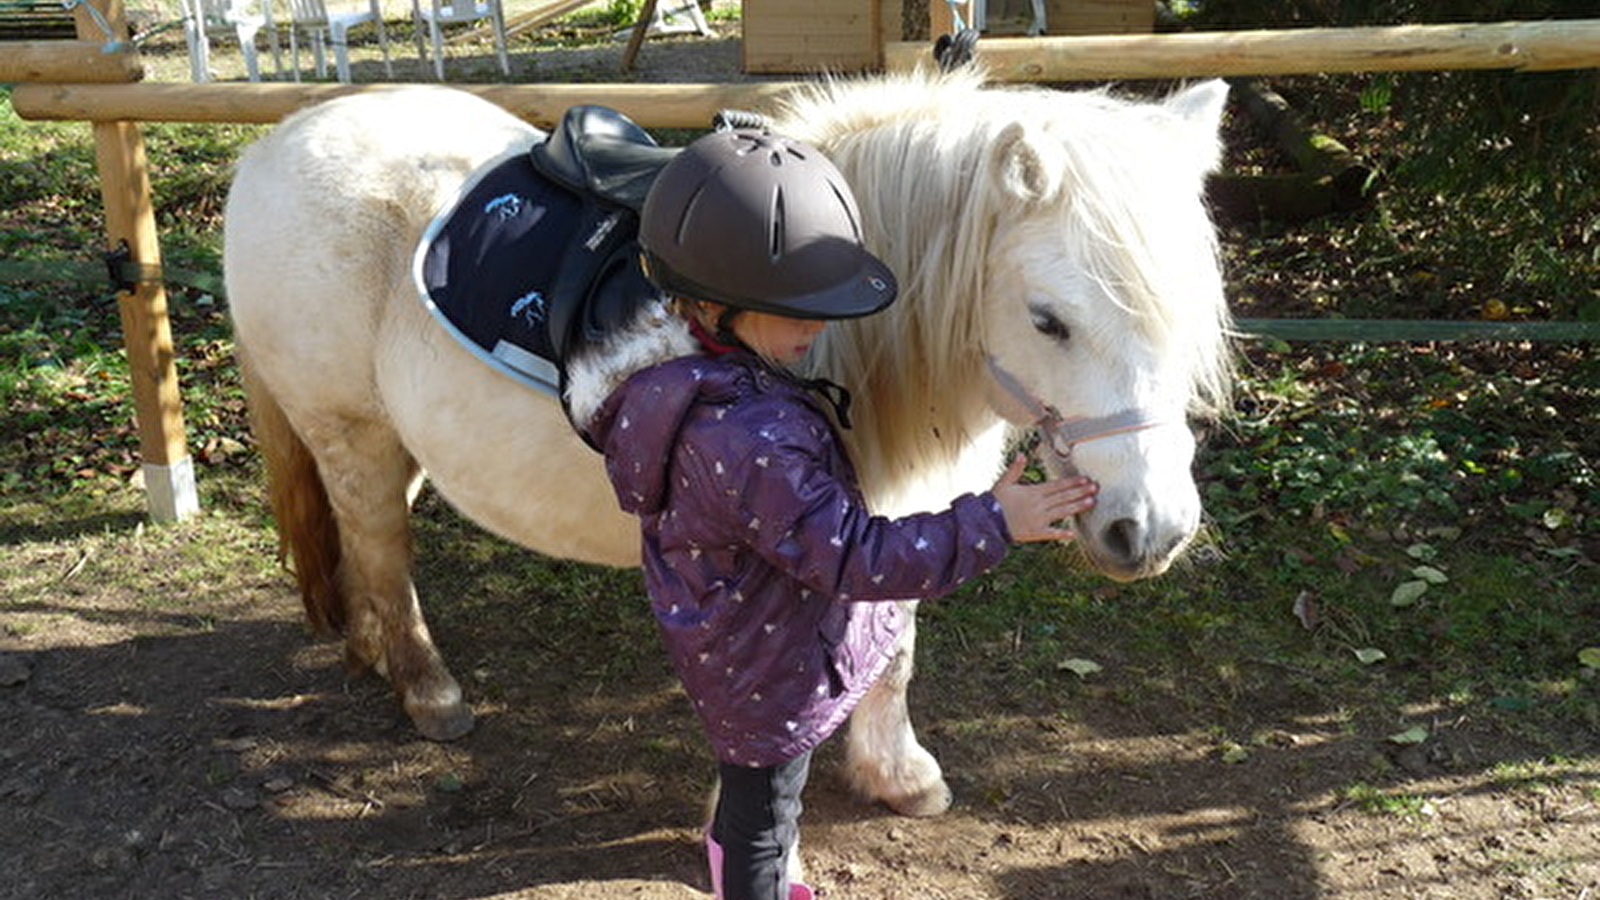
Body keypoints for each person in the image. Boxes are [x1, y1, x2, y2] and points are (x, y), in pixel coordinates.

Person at [578, 128, 1098, 900]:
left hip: (738, 643)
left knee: (754, 802)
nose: (820, 328)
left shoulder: (688, 389)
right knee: (767, 813)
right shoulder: (752, 439)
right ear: (720, 308)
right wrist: (995, 519)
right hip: (771, 669)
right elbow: (859, 559)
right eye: (797, 311)